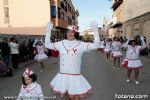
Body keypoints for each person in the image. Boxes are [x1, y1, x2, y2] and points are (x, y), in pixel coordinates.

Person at [45, 21, 100, 100]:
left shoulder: (81, 44)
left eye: (72, 32)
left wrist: (95, 30)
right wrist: (48, 31)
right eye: (68, 32)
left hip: (75, 76)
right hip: (63, 75)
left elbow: (96, 45)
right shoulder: (60, 43)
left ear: (75, 34)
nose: (69, 34)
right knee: (66, 96)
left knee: (75, 97)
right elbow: (47, 44)